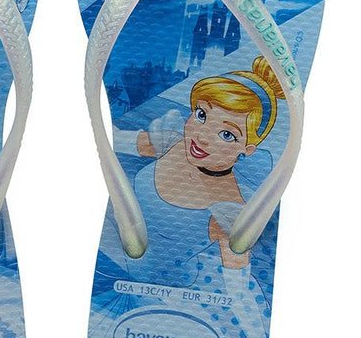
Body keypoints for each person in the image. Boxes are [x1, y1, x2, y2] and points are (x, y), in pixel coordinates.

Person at [110, 56, 284, 285]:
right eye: (202, 115)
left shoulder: (229, 211)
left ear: (247, 149)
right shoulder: (173, 143)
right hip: (112, 257)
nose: (202, 137)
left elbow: (237, 286)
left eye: (226, 134)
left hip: (161, 290)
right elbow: (115, 140)